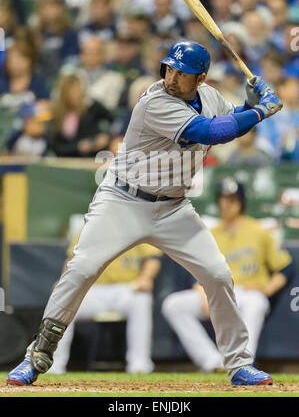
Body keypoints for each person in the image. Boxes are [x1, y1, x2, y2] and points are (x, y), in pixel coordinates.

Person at [6, 39, 283, 387]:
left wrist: (250, 105)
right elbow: (209, 131)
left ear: (200, 79)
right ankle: (35, 357)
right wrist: (260, 111)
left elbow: (231, 119)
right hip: (122, 201)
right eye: (169, 68)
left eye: (181, 73)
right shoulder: (156, 101)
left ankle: (239, 364)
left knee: (217, 274)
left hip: (174, 208)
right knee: (80, 269)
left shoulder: (210, 96)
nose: (171, 77)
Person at [162, 177, 293, 371]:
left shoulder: (258, 231)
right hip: (217, 293)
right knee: (173, 305)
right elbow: (196, 270)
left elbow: (286, 267)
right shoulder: (210, 234)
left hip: (248, 293)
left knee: (256, 303)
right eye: (224, 199)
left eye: (232, 199)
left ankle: (241, 363)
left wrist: (266, 289)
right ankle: (212, 362)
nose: (227, 204)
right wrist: (200, 292)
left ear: (241, 202)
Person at [48, 236, 162, 374]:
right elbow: (72, 259)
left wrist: (146, 278)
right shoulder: (89, 225)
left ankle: (140, 365)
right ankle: (53, 365)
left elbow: (153, 259)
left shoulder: (137, 225)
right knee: (63, 298)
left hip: (126, 289)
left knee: (141, 299)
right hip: (91, 289)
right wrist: (65, 282)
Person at [48, 73, 113, 158]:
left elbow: (115, 122)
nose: (76, 95)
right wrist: (77, 147)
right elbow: (54, 145)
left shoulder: (92, 107)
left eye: (78, 90)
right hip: (63, 159)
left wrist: (105, 136)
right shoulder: (56, 113)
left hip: (89, 158)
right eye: (72, 92)